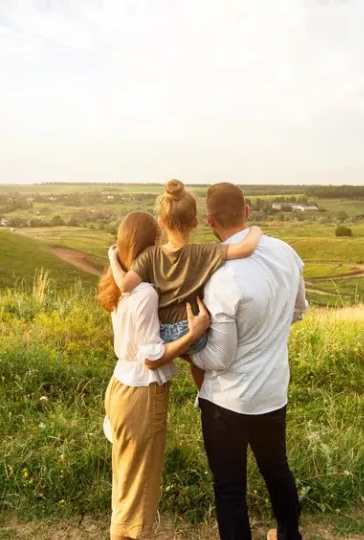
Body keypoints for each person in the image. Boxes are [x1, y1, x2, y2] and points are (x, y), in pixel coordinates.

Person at [189, 182, 309, 540]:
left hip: (228, 400)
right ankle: (289, 535)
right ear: (248, 210)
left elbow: (219, 358)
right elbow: (298, 309)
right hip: (273, 391)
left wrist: (189, 345)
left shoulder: (219, 277)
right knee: (277, 469)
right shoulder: (286, 253)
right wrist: (267, 331)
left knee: (229, 488)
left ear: (209, 221)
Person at [97, 211, 212, 540]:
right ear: (152, 245)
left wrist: (111, 257)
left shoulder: (117, 287)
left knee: (125, 480)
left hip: (120, 386)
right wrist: (193, 333)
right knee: (141, 487)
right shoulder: (145, 292)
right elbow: (151, 357)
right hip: (141, 394)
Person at [107, 180, 262, 390]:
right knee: (199, 356)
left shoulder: (150, 255)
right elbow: (245, 249)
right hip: (190, 330)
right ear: (196, 222)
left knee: (186, 352)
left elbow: (125, 285)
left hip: (160, 334)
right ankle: (204, 394)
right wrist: (256, 229)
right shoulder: (203, 252)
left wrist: (112, 258)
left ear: (161, 222)